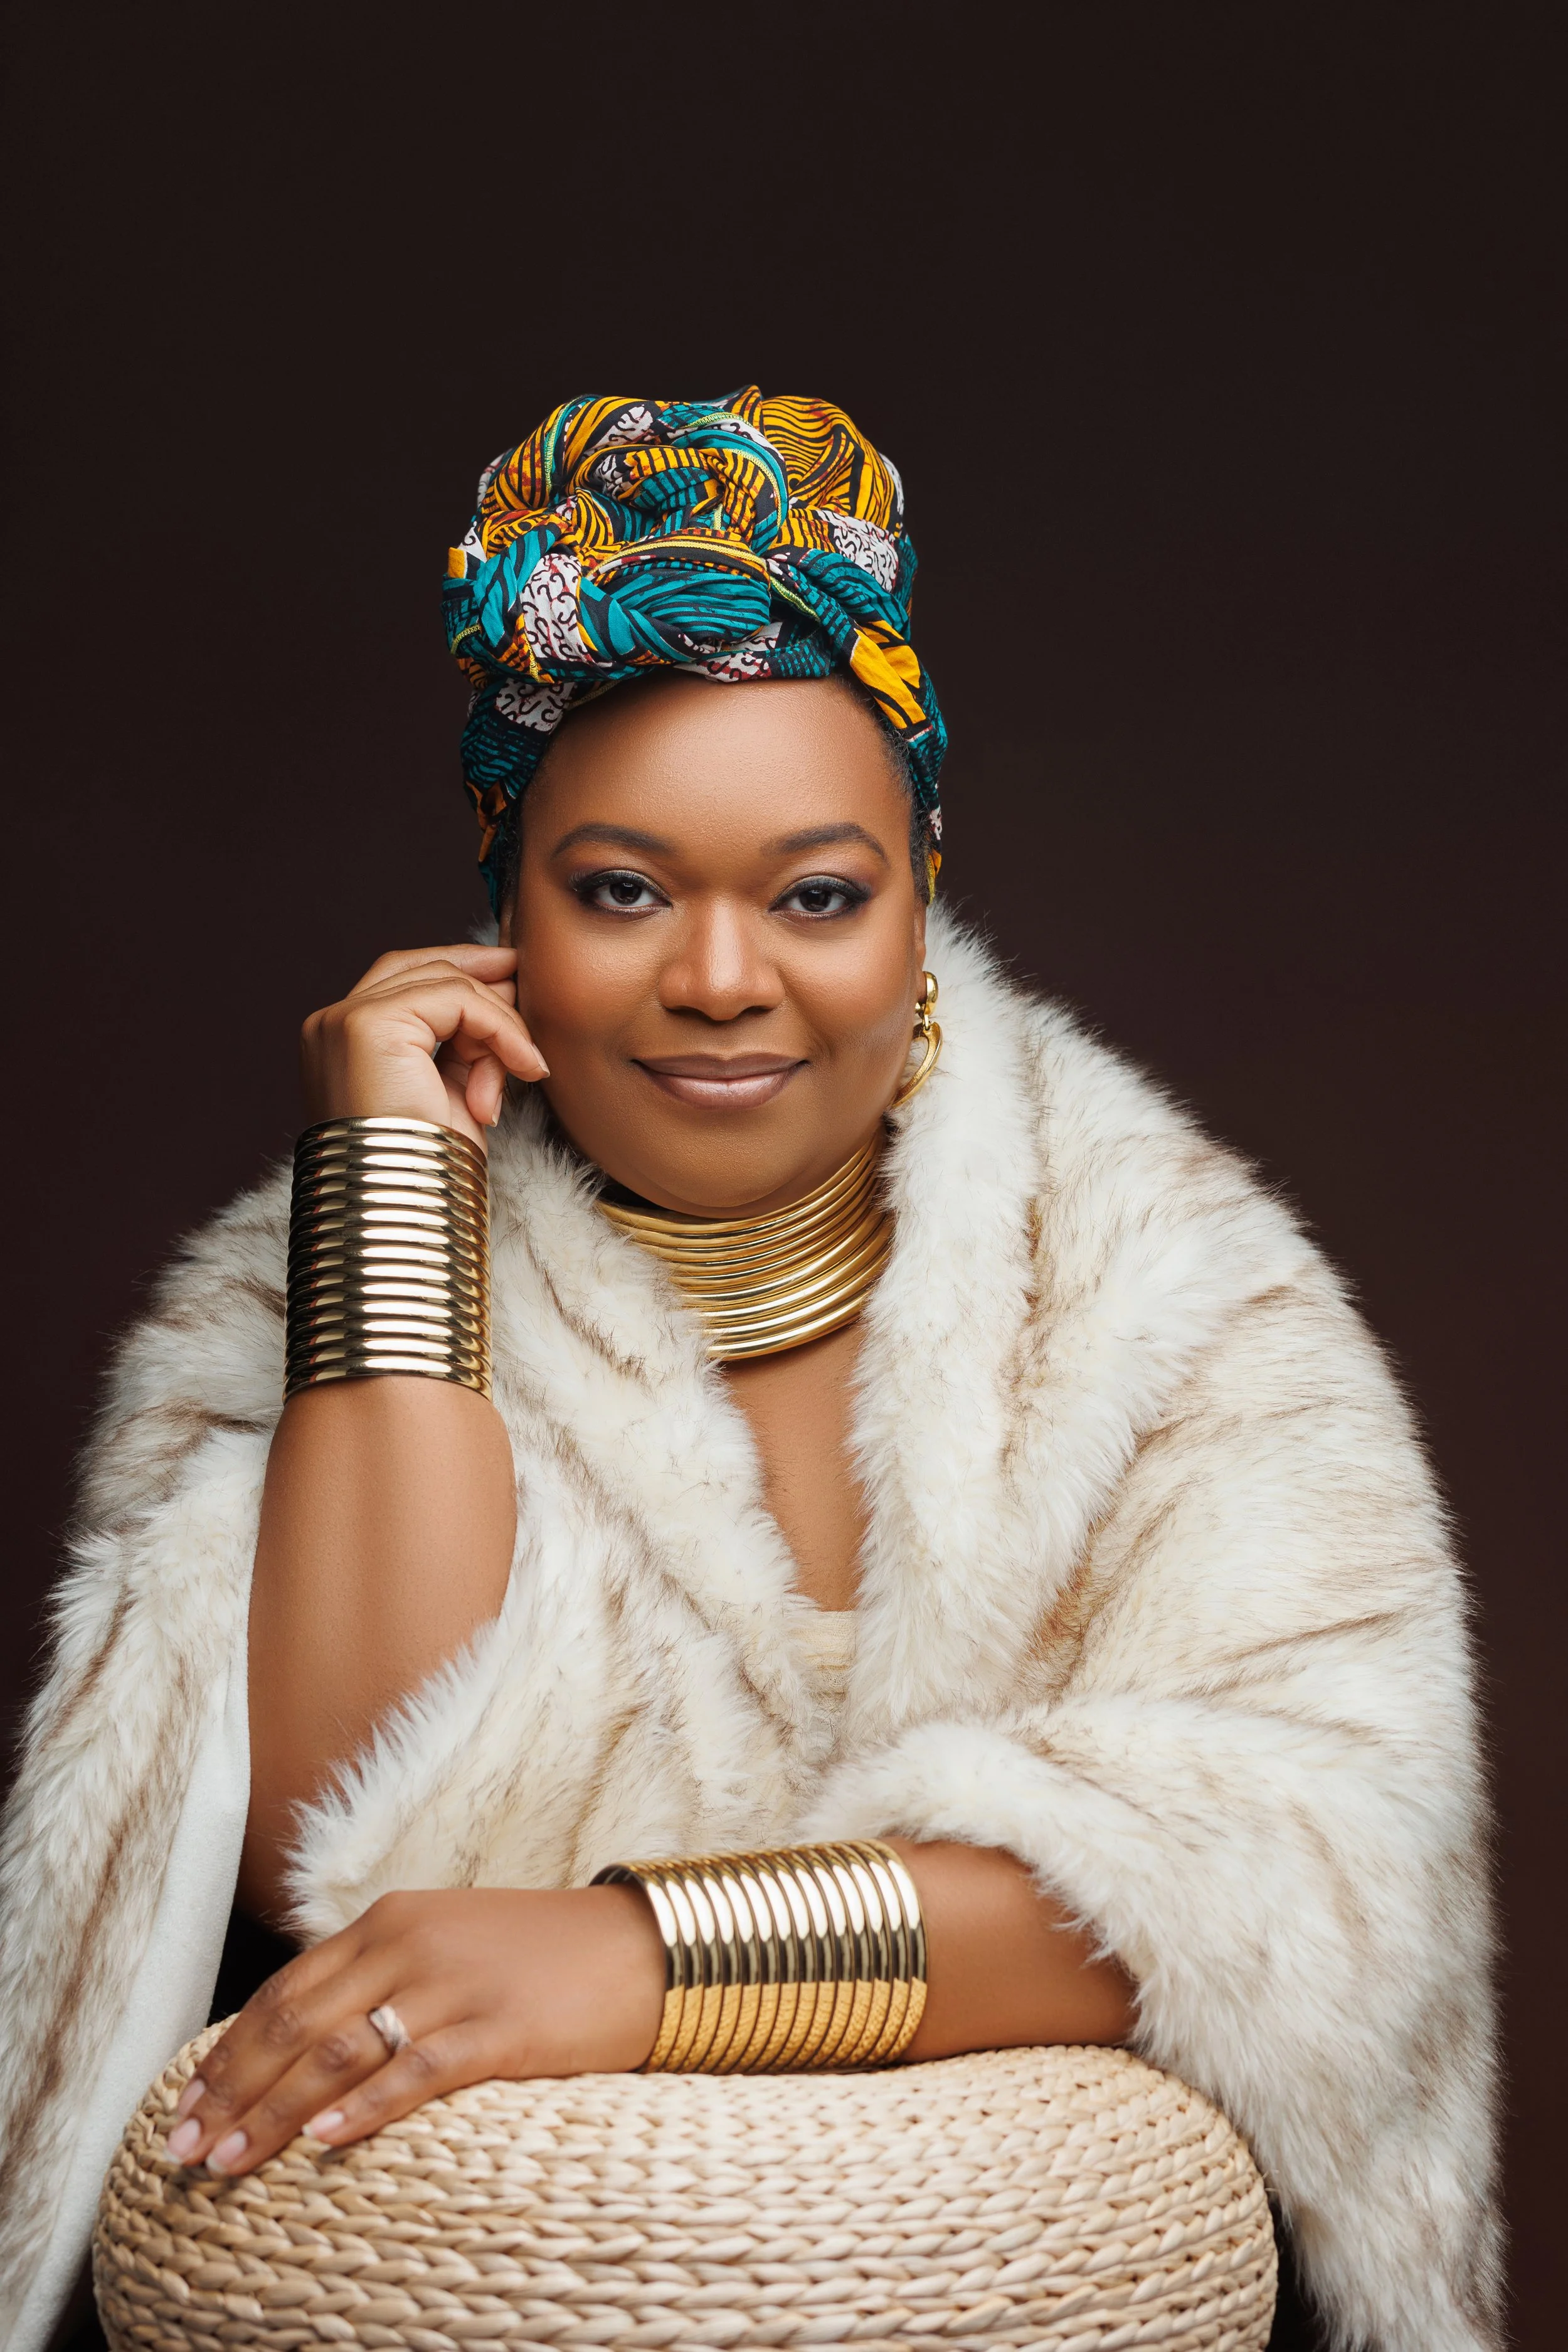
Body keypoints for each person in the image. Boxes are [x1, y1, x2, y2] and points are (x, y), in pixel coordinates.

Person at [0, 391, 1498, 2352]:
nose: (721, 977)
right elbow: (335, 1838)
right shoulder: (284, 1322)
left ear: (918, 896)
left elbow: (1308, 1879)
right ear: (504, 904)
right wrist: (390, 1194)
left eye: (815, 893)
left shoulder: (1173, 1301)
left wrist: (641, 1953)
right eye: (619, 889)